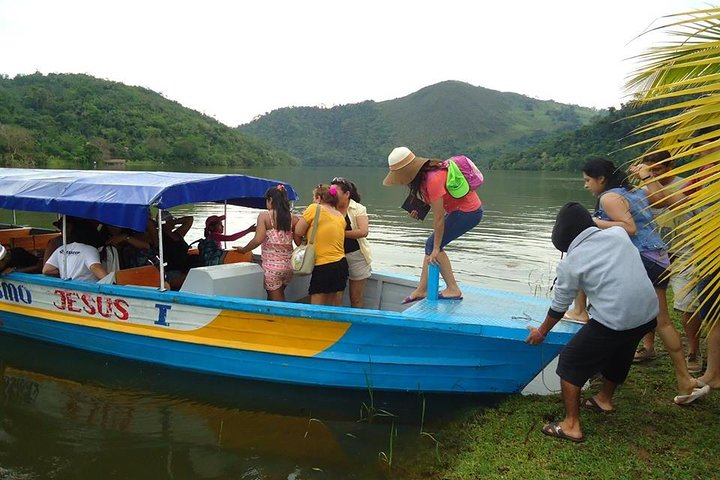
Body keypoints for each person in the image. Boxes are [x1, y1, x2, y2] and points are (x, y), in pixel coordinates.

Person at [526, 203, 704, 443]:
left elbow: (559, 305)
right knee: (622, 351)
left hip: (616, 319)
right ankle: (604, 400)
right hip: (648, 315)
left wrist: (541, 332)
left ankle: (571, 425)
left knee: (570, 362)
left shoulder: (571, 263)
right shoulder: (619, 235)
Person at [580, 157, 705, 403]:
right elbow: (668, 201)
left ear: (601, 179)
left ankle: (598, 370)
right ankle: (684, 379)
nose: (586, 186)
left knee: (608, 314)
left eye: (587, 180)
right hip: (658, 258)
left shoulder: (610, 197)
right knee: (663, 321)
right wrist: (648, 178)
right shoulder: (635, 193)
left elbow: (629, 229)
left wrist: (591, 221)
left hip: (640, 260)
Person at [383, 147, 483, 303]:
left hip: (468, 212)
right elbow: (435, 202)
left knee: (432, 246)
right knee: (429, 246)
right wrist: (418, 211)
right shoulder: (424, 177)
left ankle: (453, 289)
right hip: (459, 210)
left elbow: (438, 218)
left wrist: (436, 248)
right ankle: (422, 290)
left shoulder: (432, 179)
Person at [634, 152, 702, 372]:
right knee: (648, 300)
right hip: (654, 252)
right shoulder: (641, 191)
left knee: (687, 303)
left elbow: (666, 201)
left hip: (685, 251)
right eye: (649, 169)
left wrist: (647, 178)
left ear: (671, 166)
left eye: (658, 170)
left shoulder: (686, 185)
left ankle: (693, 351)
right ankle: (648, 346)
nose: (653, 174)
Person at [235, 185, 297, 301]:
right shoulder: (293, 218)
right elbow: (299, 240)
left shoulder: (264, 216)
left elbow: (258, 239)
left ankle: (280, 319)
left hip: (272, 268)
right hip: (289, 266)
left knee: (277, 303)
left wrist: (243, 250)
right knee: (275, 297)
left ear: (271, 200)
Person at [293, 184, 348, 306]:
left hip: (323, 266)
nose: (313, 200)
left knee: (316, 308)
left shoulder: (314, 208)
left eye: (314, 197)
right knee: (333, 308)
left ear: (319, 198)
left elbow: (298, 231)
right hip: (341, 264)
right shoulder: (340, 216)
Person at [331, 177, 372, 308]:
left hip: (356, 256)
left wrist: (339, 234)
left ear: (347, 194)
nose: (332, 195)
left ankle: (356, 325)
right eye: (331, 192)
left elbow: (363, 231)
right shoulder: (329, 208)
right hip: (335, 256)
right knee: (335, 297)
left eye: (336, 192)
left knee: (356, 298)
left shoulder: (358, 208)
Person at [157, 211, 194, 290]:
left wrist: (175, 221)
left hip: (185, 268)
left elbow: (190, 219)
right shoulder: (160, 237)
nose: (172, 222)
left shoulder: (177, 234)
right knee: (193, 277)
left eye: (172, 219)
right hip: (171, 272)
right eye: (169, 220)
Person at [42, 240, 109, 282]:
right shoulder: (90, 249)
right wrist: (112, 283)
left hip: (65, 288)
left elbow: (47, 270)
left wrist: (65, 270)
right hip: (86, 290)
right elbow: (95, 267)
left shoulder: (62, 248)